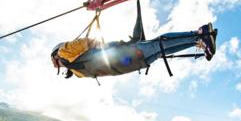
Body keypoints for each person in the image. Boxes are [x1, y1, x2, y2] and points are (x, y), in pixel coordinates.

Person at [50, 23, 217, 79]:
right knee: (160, 49)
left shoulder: (63, 52)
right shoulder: (74, 68)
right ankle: (198, 40)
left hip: (124, 60)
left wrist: (98, 47)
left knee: (158, 45)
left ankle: (199, 34)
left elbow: (86, 41)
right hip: (125, 62)